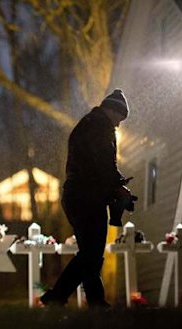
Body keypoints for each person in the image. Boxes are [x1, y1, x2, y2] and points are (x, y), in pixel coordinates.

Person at [40, 89, 135, 308]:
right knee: (91, 253)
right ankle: (57, 296)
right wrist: (119, 188)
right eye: (119, 119)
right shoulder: (100, 127)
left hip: (78, 195)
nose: (119, 125)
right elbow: (103, 165)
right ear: (112, 110)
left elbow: (97, 166)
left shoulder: (89, 124)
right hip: (87, 198)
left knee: (89, 253)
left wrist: (116, 185)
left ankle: (94, 300)